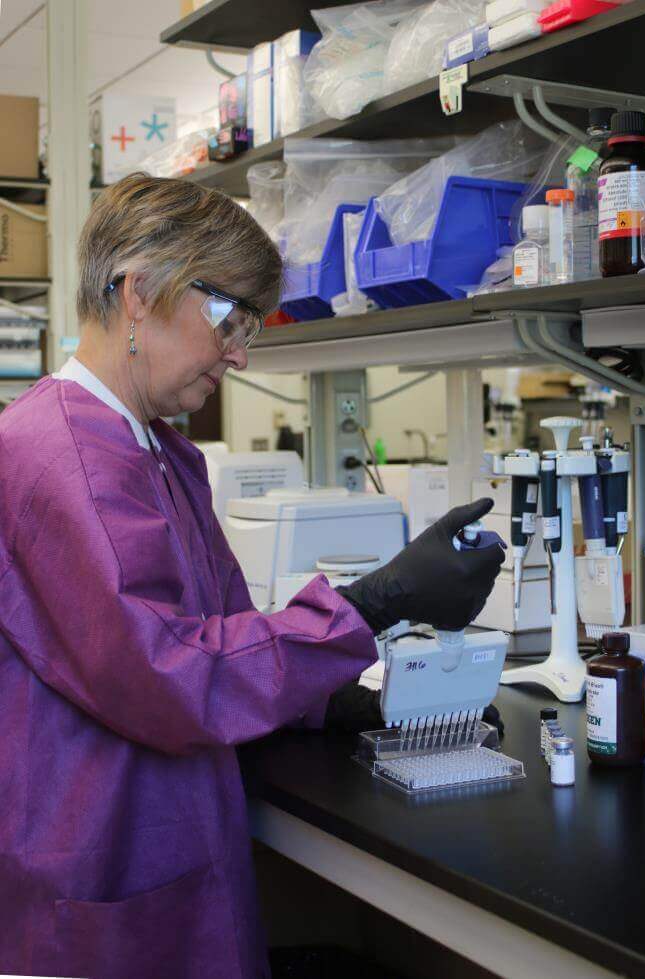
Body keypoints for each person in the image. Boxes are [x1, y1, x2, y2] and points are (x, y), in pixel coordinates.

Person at [0, 174, 505, 979]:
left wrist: (323, 697)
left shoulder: (159, 449)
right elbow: (170, 673)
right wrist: (378, 600)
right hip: (98, 878)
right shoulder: (62, 457)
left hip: (164, 840)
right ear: (139, 293)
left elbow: (224, 628)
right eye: (229, 318)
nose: (239, 352)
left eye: (250, 326)